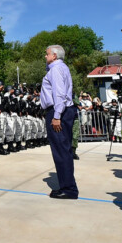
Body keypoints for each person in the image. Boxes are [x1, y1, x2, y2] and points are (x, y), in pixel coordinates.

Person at [41, 45, 78, 199]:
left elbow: (59, 94)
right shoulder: (62, 68)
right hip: (64, 111)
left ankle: (69, 189)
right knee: (64, 150)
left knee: (61, 151)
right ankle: (66, 185)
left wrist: (56, 116)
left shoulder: (55, 69)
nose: (45, 56)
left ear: (54, 55)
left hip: (59, 113)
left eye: (47, 54)